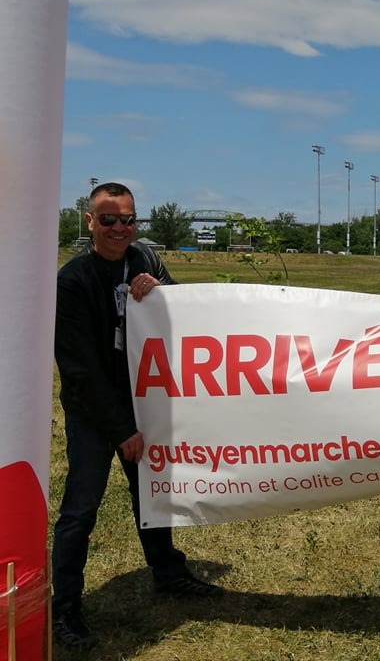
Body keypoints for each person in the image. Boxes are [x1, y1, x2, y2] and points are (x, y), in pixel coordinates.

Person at [52, 182, 223, 649]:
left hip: (143, 401)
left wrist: (162, 290)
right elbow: (79, 369)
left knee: (153, 493)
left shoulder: (144, 258)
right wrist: (121, 429)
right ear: (90, 221)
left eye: (128, 219)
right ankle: (64, 609)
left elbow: (183, 309)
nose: (119, 228)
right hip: (94, 412)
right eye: (108, 219)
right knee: (80, 509)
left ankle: (168, 572)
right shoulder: (73, 281)